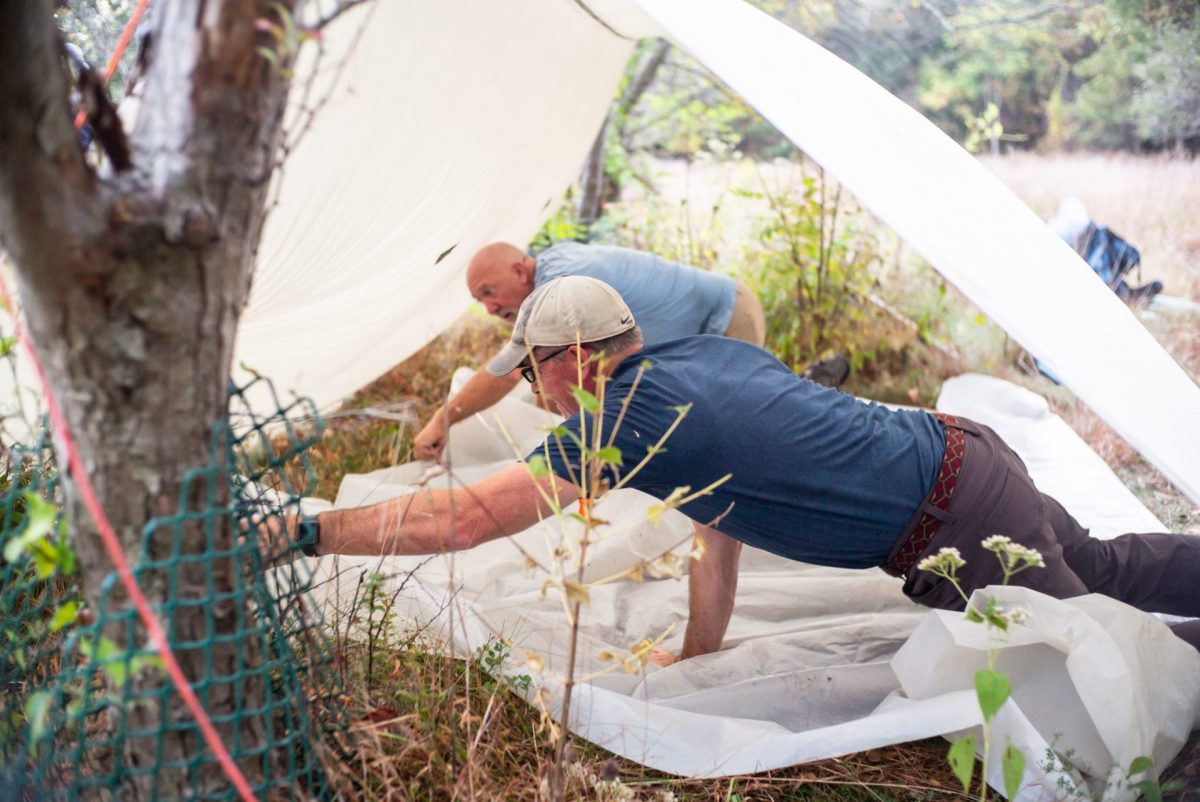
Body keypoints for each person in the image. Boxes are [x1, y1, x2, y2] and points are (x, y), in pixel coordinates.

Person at [294, 276, 1200, 659]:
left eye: (531, 372)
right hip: (964, 451)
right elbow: (716, 540)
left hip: (957, 514)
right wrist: (696, 655)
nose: (536, 393)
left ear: (571, 358)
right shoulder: (696, 364)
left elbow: (462, 520)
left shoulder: (628, 414)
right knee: (1110, 574)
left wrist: (307, 531)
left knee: (1097, 651)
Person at [411, 241, 765, 461]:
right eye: (479, 301)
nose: (489, 308)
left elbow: (513, 371)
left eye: (490, 292)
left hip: (728, 316)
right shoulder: (553, 268)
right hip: (696, 330)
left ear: (520, 271)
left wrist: (443, 419)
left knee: (731, 430)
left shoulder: (562, 285)